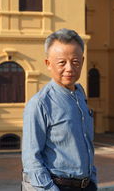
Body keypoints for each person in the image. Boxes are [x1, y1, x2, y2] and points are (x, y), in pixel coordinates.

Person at [22, 28, 97, 191]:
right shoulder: (40, 104)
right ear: (48, 64)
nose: (69, 68)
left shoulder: (80, 96)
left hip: (86, 185)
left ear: (82, 62)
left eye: (75, 62)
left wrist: (92, 179)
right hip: (56, 186)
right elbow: (31, 159)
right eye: (62, 62)